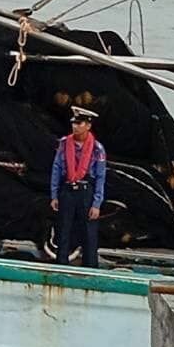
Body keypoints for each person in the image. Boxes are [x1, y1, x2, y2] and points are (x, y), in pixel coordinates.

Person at [50, 106, 108, 269]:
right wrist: (54, 194)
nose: (75, 126)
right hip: (67, 190)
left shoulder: (97, 148)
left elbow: (100, 177)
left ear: (88, 125)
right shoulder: (63, 144)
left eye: (79, 123)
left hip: (85, 190)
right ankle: (61, 265)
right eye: (74, 123)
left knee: (89, 233)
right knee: (63, 231)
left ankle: (90, 268)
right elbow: (56, 169)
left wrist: (97, 203)